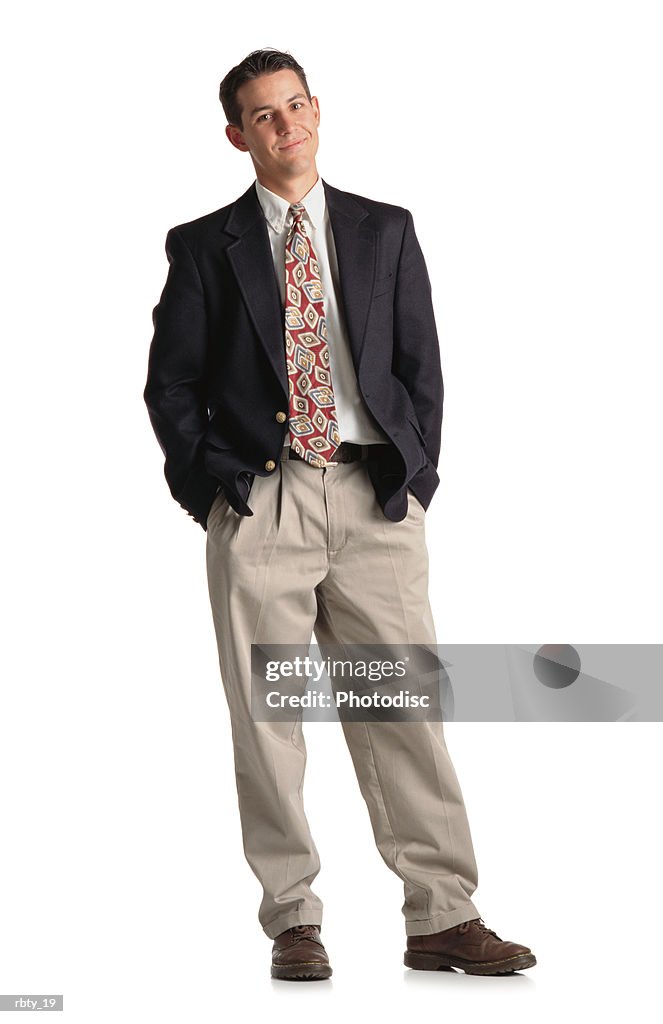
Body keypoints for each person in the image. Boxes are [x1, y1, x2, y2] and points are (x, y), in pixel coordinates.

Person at [144, 47, 536, 981]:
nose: (287, 127)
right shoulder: (204, 245)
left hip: (373, 496)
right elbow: (172, 384)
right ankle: (292, 919)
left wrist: (415, 479)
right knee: (267, 720)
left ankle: (442, 915)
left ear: (317, 109)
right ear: (238, 135)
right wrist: (215, 494)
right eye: (265, 116)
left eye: (297, 106)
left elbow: (419, 365)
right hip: (263, 498)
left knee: (402, 709)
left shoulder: (382, 229)